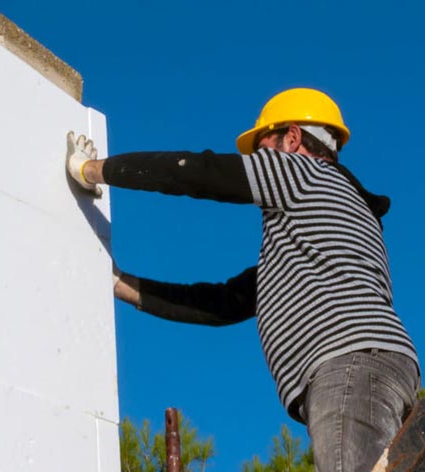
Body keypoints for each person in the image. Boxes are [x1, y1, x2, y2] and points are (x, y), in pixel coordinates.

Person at [67, 88, 421, 471]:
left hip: (348, 364)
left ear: (293, 138)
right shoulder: (319, 233)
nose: (253, 161)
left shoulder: (303, 174)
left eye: (261, 149)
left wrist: (92, 169)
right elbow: (224, 303)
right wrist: (120, 283)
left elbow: (198, 173)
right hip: (374, 366)